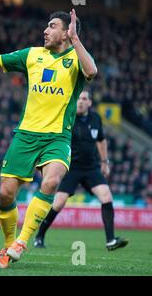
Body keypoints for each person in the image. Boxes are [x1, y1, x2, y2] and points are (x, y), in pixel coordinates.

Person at [0, 9, 98, 268]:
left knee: (52, 181)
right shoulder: (33, 55)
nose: (45, 30)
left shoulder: (76, 60)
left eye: (52, 26)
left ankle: (22, 241)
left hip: (57, 137)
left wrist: (76, 41)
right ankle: (9, 244)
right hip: (25, 136)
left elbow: (92, 72)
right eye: (46, 25)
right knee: (6, 195)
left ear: (66, 32)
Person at [34, 90, 128, 250]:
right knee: (58, 203)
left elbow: (101, 140)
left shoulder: (96, 118)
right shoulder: (67, 117)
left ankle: (111, 241)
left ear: (90, 103)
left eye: (84, 99)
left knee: (106, 196)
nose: (80, 101)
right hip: (71, 167)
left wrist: (105, 162)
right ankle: (39, 236)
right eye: (78, 98)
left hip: (91, 167)